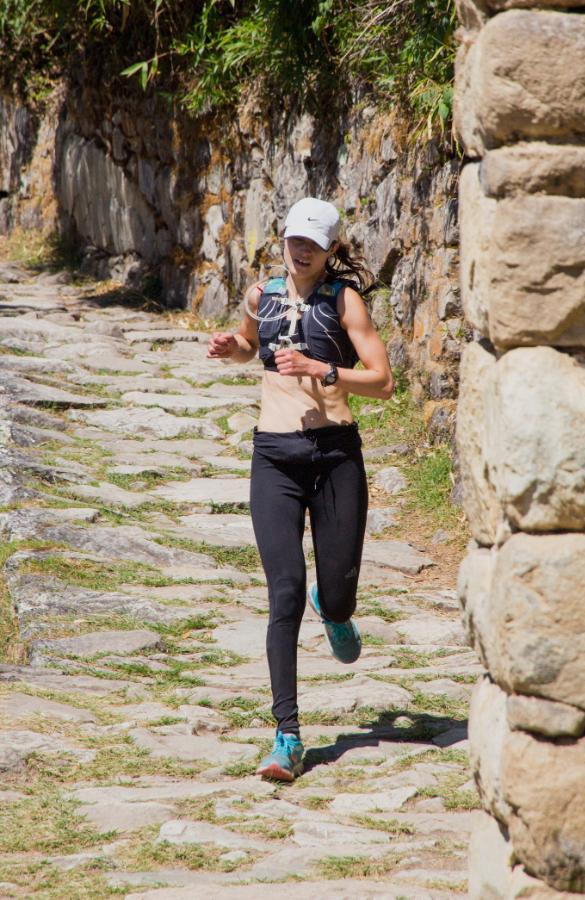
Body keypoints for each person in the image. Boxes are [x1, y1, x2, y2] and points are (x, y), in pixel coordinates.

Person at [207, 197, 394, 782]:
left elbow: (384, 382)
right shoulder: (260, 295)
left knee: (333, 591)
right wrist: (230, 348)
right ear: (283, 239)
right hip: (276, 458)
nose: (301, 248)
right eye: (294, 238)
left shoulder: (345, 302)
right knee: (284, 590)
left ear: (331, 247)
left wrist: (324, 370)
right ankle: (286, 735)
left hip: (336, 456)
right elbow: (250, 347)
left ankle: (334, 611)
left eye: (313, 241)